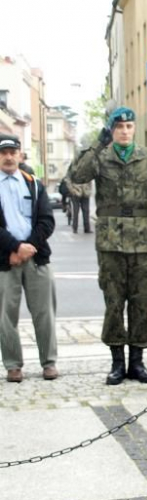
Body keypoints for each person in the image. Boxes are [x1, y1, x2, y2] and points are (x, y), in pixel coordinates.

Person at [70, 107, 147, 384]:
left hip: (142, 242)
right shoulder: (101, 157)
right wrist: (97, 143)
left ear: (134, 129)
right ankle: (117, 363)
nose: (125, 131)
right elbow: (76, 176)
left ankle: (137, 362)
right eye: (119, 127)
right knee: (114, 303)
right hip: (110, 243)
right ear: (111, 130)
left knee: (140, 303)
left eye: (129, 126)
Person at [0, 134, 58, 382]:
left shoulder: (33, 183)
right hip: (5, 260)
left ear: (20, 155)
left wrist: (30, 246)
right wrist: (13, 248)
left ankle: (49, 362)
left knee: (44, 312)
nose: (9, 156)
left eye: (13, 152)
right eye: (3, 153)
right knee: (5, 315)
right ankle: (13, 365)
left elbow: (47, 220)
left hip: (36, 258)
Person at [67, 170, 93, 234]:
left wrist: (89, 190)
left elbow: (90, 180)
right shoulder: (73, 169)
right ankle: (75, 228)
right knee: (76, 211)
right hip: (76, 193)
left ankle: (87, 229)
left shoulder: (87, 169)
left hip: (85, 193)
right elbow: (68, 180)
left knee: (86, 211)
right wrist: (72, 190)